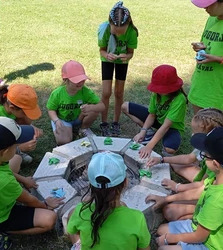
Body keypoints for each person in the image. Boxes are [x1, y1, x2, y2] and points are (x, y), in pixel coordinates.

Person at [0, 117, 65, 250]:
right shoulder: (1, 181)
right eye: (16, 145)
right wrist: (45, 204)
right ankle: (0, 231)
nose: (19, 146)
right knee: (49, 219)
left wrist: (24, 180)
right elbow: (29, 200)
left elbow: (3, 170)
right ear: (5, 152)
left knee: (16, 160)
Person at [156, 127, 223, 250]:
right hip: (198, 226)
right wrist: (167, 198)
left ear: (215, 164)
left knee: (163, 248)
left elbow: (199, 237)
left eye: (204, 155)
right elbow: (197, 192)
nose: (202, 156)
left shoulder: (218, 202)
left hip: (212, 245)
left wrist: (169, 238)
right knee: (161, 230)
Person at [145, 108, 223, 221]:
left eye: (195, 132)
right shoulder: (210, 143)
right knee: (175, 164)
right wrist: (162, 159)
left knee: (170, 211)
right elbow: (189, 159)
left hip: (210, 194)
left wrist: (176, 188)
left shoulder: (217, 162)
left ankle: (201, 214)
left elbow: (202, 187)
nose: (192, 134)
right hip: (205, 181)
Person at [67, 151, 151, 250]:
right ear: (125, 183)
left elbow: (72, 232)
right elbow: (144, 248)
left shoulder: (79, 212)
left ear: (90, 185)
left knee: (71, 214)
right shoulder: (137, 218)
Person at [121, 65, 187, 158]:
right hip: (158, 121)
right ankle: (149, 133)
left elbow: (166, 126)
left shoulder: (180, 99)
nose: (158, 91)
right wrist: (143, 131)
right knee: (125, 106)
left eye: (161, 89)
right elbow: (152, 115)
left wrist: (149, 146)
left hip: (172, 127)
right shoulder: (156, 93)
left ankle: (161, 140)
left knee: (169, 149)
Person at [98, 1, 139, 137]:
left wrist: (126, 56)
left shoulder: (132, 32)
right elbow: (102, 50)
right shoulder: (104, 29)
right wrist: (107, 55)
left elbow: (130, 53)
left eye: (122, 32)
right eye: (116, 32)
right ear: (110, 24)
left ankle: (115, 122)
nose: (119, 35)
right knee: (106, 92)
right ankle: (104, 122)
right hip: (107, 60)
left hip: (122, 62)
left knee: (119, 92)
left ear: (128, 26)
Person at [47, 60, 105, 146]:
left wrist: (90, 108)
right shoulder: (57, 93)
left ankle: (83, 129)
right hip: (63, 120)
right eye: (77, 80)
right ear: (65, 80)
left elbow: (102, 106)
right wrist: (56, 120)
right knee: (64, 141)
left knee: (94, 109)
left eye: (82, 79)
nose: (81, 82)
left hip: (79, 117)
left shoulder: (85, 91)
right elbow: (51, 109)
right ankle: (67, 129)